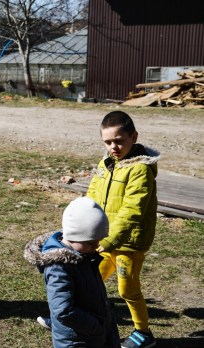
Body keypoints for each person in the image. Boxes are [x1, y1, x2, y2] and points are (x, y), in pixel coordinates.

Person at [86, 111, 159, 348]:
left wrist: (108, 241)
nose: (113, 147)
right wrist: (84, 225)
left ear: (133, 137)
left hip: (128, 243)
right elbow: (92, 196)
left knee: (127, 289)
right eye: (108, 142)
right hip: (105, 239)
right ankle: (76, 319)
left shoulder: (140, 170)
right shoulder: (105, 164)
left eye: (119, 140)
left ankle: (143, 333)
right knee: (90, 279)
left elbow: (132, 212)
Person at [24, 197, 120, 348]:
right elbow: (63, 310)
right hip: (77, 340)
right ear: (75, 236)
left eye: (98, 241)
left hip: (93, 334)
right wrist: (95, 326)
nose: (97, 246)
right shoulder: (59, 267)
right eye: (91, 242)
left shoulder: (83, 255)